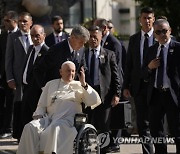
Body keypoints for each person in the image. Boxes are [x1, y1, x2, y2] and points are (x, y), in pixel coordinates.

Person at [16, 61, 101, 154]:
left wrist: (84, 84)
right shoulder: (50, 84)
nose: (71, 73)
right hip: (49, 119)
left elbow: (93, 101)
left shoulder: (80, 85)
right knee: (30, 127)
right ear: (61, 72)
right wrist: (39, 116)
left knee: (55, 127)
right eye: (68, 71)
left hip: (68, 121)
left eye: (73, 71)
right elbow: (41, 105)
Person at [143, 19, 180, 154]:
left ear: (170, 31)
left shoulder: (177, 48)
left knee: (177, 130)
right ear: (155, 35)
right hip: (156, 95)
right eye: (158, 32)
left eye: (164, 31)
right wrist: (149, 67)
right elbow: (143, 74)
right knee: (156, 131)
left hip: (173, 95)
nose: (162, 34)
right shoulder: (151, 50)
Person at [123, 7, 155, 154]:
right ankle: (147, 152)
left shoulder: (160, 36)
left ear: (153, 19)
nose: (147, 20)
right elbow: (129, 64)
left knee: (156, 122)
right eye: (144, 18)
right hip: (139, 86)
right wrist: (126, 85)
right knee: (142, 124)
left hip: (156, 86)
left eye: (149, 18)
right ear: (140, 20)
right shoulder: (134, 39)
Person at [84, 26, 121, 153]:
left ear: (101, 37)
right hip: (87, 95)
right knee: (88, 125)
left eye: (96, 37)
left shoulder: (109, 54)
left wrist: (117, 93)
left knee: (104, 126)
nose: (93, 39)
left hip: (104, 96)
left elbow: (116, 76)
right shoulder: (82, 53)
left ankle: (103, 150)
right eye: (91, 37)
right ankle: (89, 149)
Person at [5, 11, 33, 141]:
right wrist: (9, 77)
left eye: (25, 21)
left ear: (30, 23)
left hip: (33, 79)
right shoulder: (13, 37)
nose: (22, 24)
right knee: (19, 106)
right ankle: (19, 134)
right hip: (18, 78)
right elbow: (8, 59)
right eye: (20, 21)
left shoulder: (36, 35)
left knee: (31, 105)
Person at [21, 25, 49, 129]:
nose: (34, 38)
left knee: (37, 121)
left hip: (38, 92)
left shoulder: (47, 52)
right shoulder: (30, 48)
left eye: (37, 35)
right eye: (32, 36)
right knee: (25, 118)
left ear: (44, 35)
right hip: (26, 89)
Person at [0, 10, 18, 138]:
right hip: (3, 75)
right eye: (4, 20)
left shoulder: (20, 35)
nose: (4, 23)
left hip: (16, 76)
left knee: (13, 103)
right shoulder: (3, 35)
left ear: (14, 21)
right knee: (3, 101)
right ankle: (3, 127)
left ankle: (10, 127)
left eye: (7, 20)